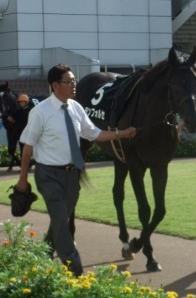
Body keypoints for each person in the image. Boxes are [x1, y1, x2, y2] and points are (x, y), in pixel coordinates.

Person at [15, 64, 137, 277]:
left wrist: (122, 133)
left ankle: (41, 261)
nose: (74, 85)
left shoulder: (76, 108)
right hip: (48, 175)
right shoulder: (40, 112)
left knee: (58, 223)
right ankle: (76, 271)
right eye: (69, 81)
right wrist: (22, 180)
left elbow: (95, 134)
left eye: (74, 80)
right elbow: (27, 148)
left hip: (73, 176)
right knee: (62, 220)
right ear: (55, 85)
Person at [7, 94, 32, 159]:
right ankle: (24, 165)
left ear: (26, 102)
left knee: (28, 151)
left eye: (22, 102)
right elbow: (10, 118)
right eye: (19, 102)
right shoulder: (18, 111)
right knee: (22, 151)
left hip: (28, 135)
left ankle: (29, 163)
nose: (20, 103)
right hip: (20, 135)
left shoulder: (30, 111)